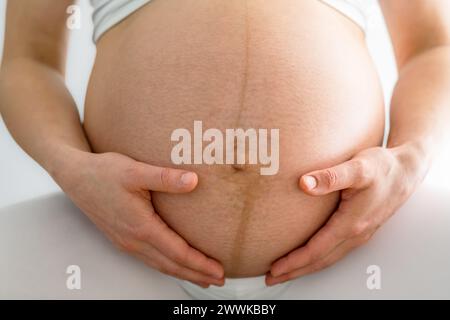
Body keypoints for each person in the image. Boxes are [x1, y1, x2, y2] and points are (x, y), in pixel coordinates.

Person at [0, 0, 449, 299]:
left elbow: (432, 45)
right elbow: (28, 58)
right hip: (114, 249)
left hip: (363, 246)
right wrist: (68, 165)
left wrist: (409, 159)